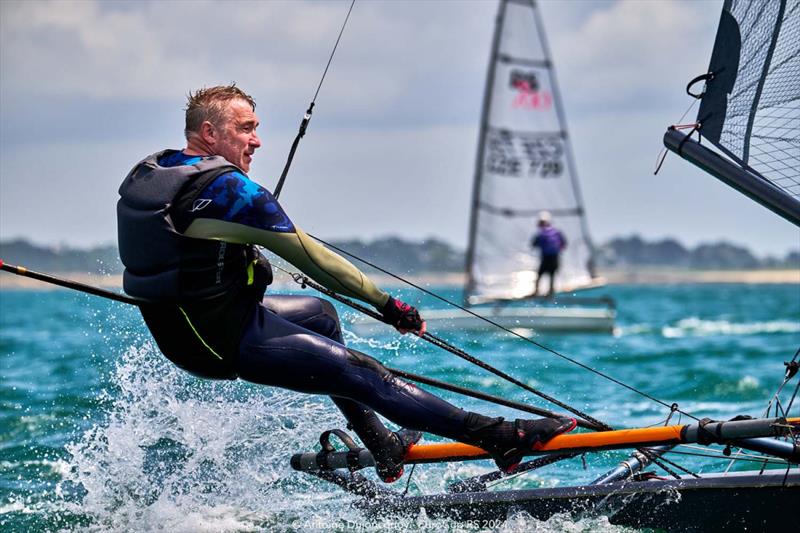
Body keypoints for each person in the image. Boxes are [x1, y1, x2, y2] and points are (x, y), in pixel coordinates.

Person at [117, 84, 575, 483]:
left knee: (321, 316)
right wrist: (387, 305)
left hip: (188, 328)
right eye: (245, 128)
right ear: (210, 134)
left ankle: (382, 445)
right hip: (220, 339)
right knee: (363, 372)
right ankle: (500, 438)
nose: (256, 140)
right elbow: (319, 263)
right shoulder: (233, 194)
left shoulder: (159, 173)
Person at [531, 211, 567, 298]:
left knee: (539, 274)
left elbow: (533, 244)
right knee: (552, 275)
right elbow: (564, 243)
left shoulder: (540, 234)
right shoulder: (557, 232)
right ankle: (551, 294)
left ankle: (536, 292)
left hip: (545, 258)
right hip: (555, 258)